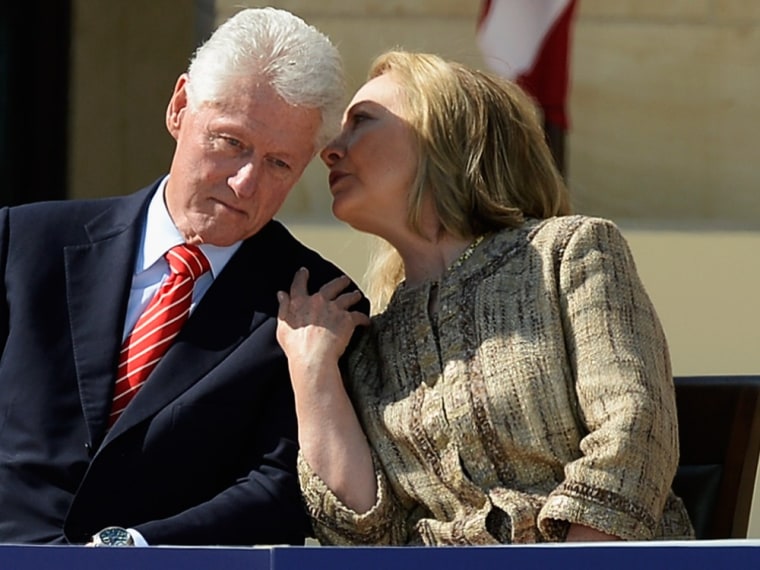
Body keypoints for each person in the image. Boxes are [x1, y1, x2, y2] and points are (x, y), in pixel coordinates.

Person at [275, 50, 695, 545]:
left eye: (361, 121)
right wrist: (312, 373)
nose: (330, 149)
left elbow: (634, 435)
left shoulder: (568, 253)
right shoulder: (370, 342)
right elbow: (362, 536)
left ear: (445, 137)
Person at [0, 7, 365, 547]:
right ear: (178, 108)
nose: (245, 183)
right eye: (231, 142)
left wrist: (130, 550)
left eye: (279, 164)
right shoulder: (24, 242)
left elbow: (282, 488)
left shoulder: (319, 304)